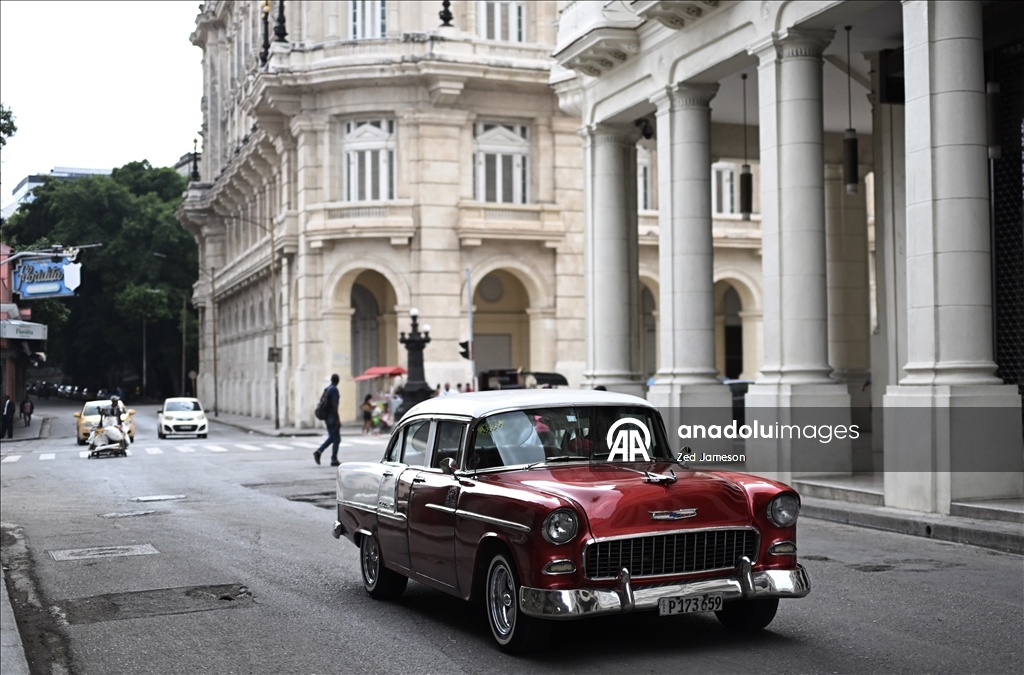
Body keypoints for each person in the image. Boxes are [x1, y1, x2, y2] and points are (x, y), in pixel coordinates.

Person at [313, 374, 342, 467]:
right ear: (338, 380)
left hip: (327, 417)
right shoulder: (334, 389)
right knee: (336, 438)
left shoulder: (328, 388)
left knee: (333, 437)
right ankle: (332, 458)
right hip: (332, 416)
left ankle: (321, 452)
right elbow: (334, 404)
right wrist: (337, 419)